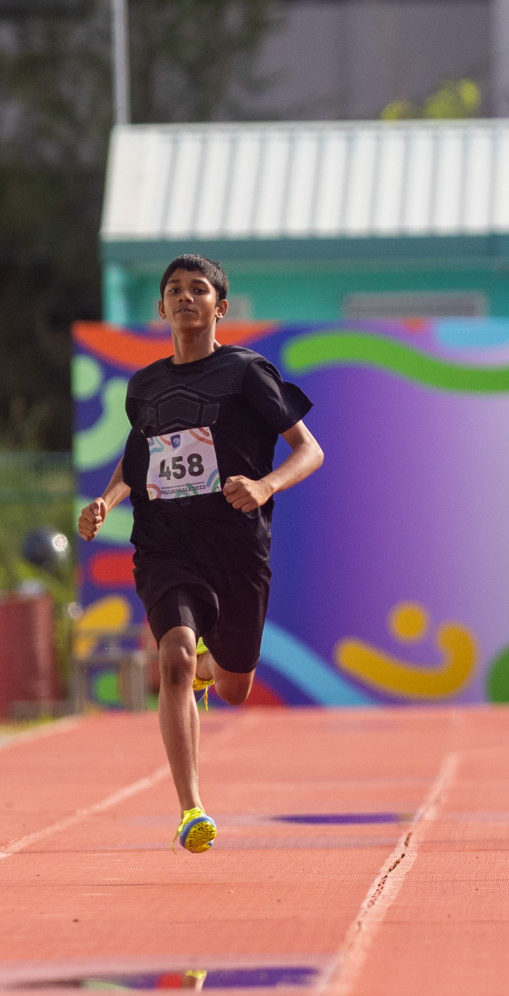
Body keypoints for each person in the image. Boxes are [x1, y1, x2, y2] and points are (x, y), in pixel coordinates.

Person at [78, 254, 323, 853]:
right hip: (166, 546)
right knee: (174, 658)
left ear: (221, 307)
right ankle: (191, 809)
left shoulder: (245, 372)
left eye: (198, 290)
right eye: (174, 291)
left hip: (236, 549)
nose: (186, 298)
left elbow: (309, 451)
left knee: (235, 685)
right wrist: (108, 500)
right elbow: (137, 459)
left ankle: (216, 670)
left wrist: (265, 486)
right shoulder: (145, 386)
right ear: (160, 308)